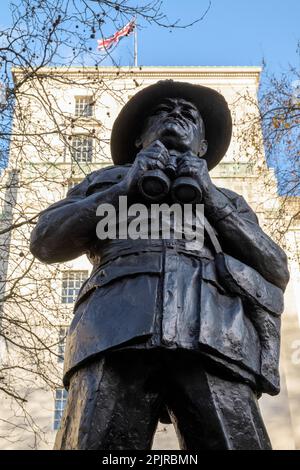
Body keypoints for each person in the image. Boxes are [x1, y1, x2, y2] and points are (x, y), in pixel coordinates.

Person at [30, 81, 289, 450]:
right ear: (138, 140)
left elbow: (276, 268)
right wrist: (124, 188)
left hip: (215, 335)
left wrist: (212, 199)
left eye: (189, 114)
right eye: (163, 110)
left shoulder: (228, 200)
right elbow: (45, 242)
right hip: (114, 330)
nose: (177, 115)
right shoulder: (104, 181)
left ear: (203, 146)